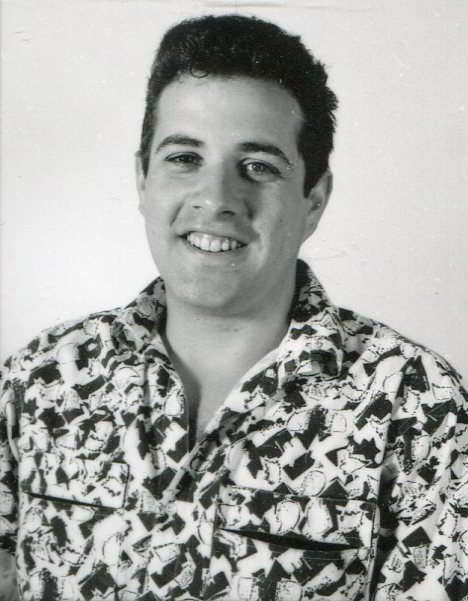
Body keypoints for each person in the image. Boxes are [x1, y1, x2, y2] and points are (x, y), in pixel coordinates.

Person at [0, 13, 467, 601]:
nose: (218, 199)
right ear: (142, 178)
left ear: (314, 201)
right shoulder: (39, 380)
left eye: (259, 167)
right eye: (184, 158)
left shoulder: (417, 406)